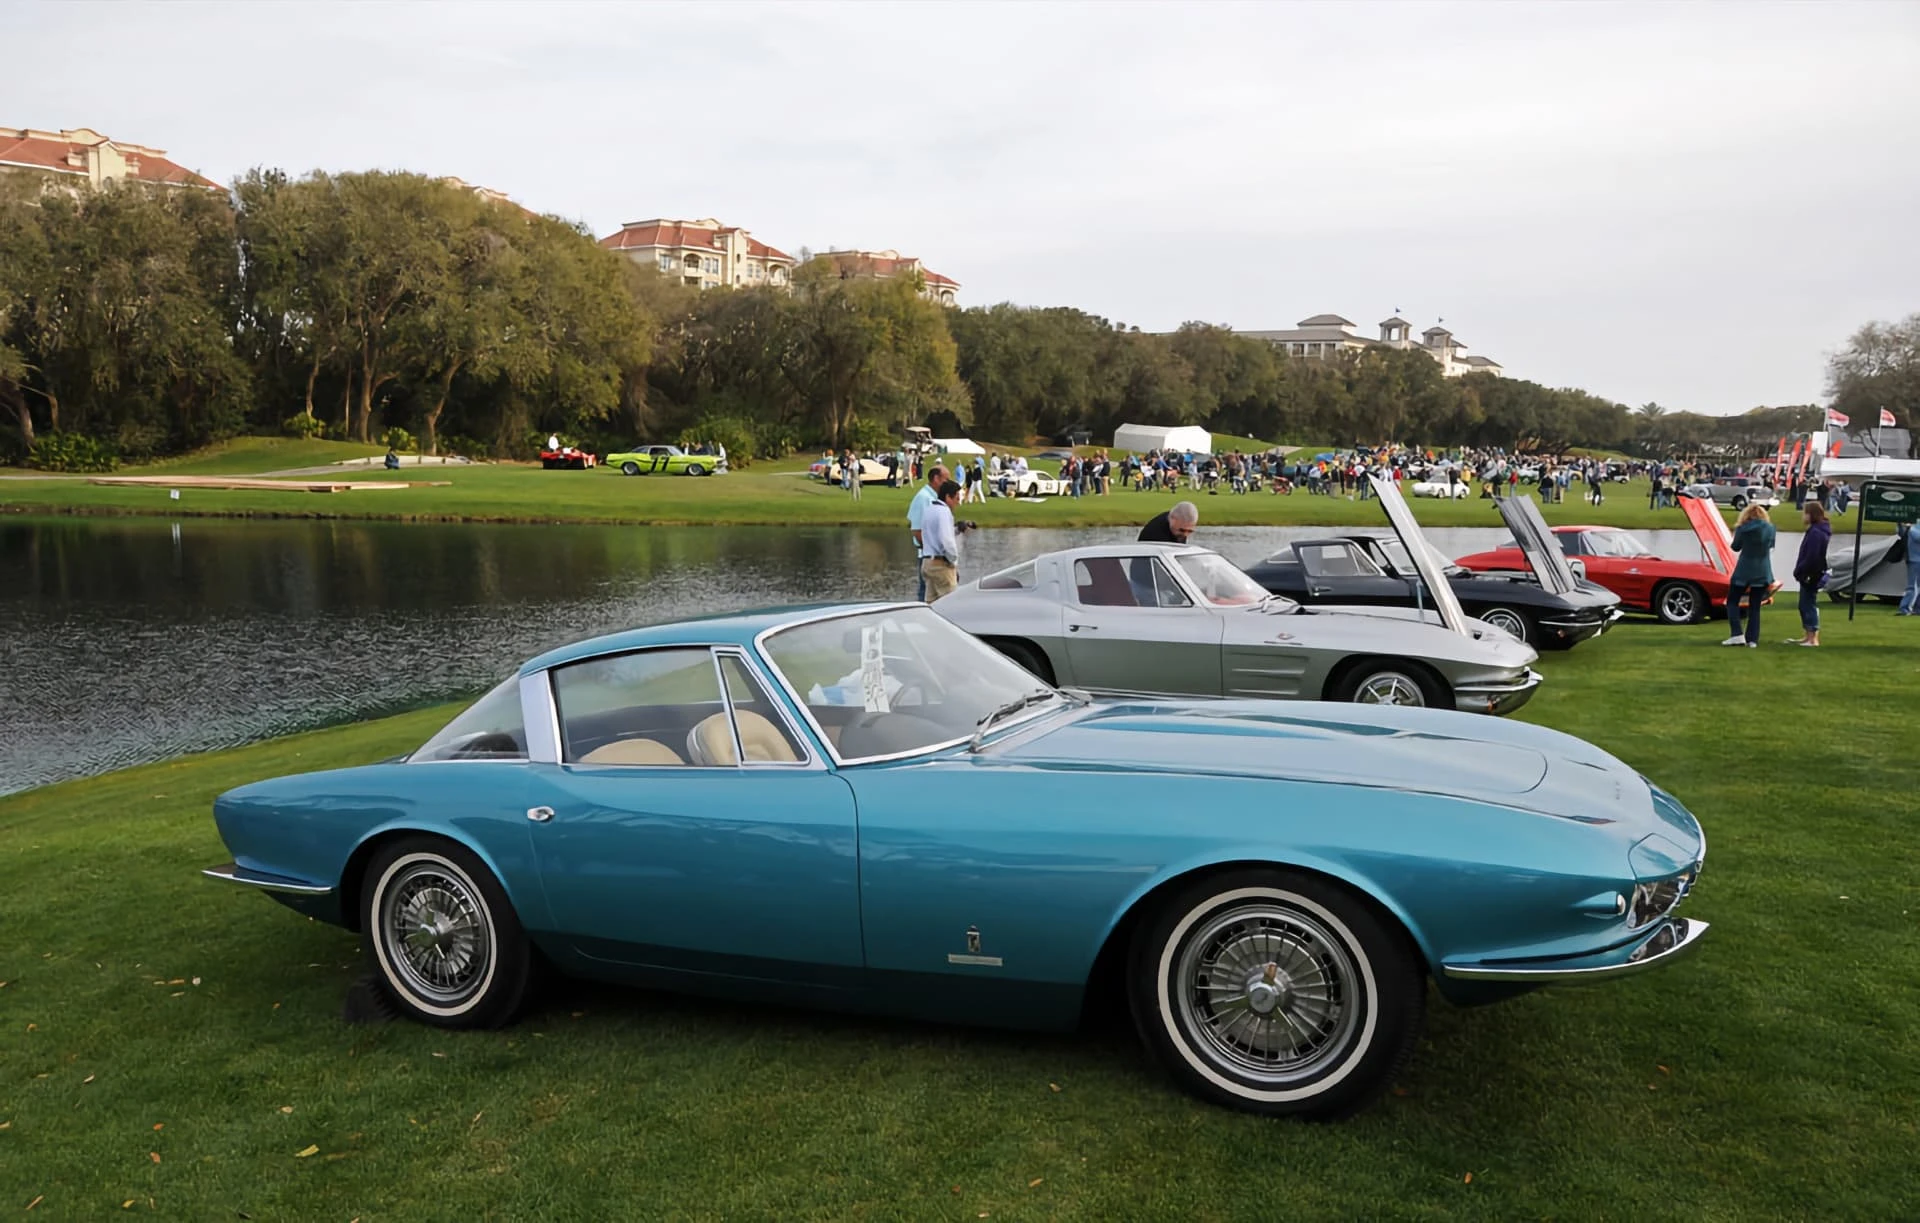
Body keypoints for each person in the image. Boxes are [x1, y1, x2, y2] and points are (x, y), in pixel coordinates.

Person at [1722, 502, 1776, 647]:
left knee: (1732, 601)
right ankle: (1752, 640)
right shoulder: (1770, 529)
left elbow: (1735, 547)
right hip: (1763, 570)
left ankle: (1737, 634)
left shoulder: (1742, 529)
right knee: (1755, 606)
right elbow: (1771, 545)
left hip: (1744, 570)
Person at [1787, 501, 1831, 646]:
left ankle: (1813, 638)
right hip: (1811, 572)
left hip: (1811, 573)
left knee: (1808, 604)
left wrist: (1800, 569)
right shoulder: (1817, 530)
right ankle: (1808, 636)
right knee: (1804, 604)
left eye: (1805, 513)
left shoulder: (1816, 533)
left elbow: (1812, 556)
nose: (1803, 516)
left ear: (1811, 514)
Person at [906, 464, 948, 600]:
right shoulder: (923, 498)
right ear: (936, 478)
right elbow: (917, 531)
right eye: (946, 480)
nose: (948, 484)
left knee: (936, 597)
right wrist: (935, 552)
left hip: (934, 556)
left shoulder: (934, 498)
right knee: (925, 596)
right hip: (928, 557)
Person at [919, 479, 964, 602]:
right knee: (949, 607)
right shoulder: (944, 512)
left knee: (931, 607)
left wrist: (956, 530)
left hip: (927, 563)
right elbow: (946, 542)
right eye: (957, 498)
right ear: (948, 497)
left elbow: (934, 534)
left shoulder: (929, 510)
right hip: (941, 566)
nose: (958, 503)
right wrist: (954, 562)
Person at [1899, 522, 1920, 616]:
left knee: (1917, 586)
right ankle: (1905, 608)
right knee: (1913, 586)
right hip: (1914, 559)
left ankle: (1917, 608)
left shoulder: (1913, 527)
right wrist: (1900, 524)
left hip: (1915, 558)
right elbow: (1901, 534)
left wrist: (1909, 527)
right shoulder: (1914, 526)